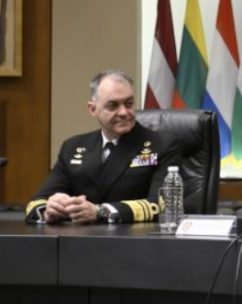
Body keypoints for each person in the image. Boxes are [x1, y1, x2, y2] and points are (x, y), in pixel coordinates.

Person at [25, 69, 178, 224]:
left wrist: (100, 212)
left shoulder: (162, 145)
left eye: (129, 104)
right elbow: (38, 201)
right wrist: (50, 210)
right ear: (93, 109)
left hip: (134, 235)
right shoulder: (73, 147)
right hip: (80, 237)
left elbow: (162, 205)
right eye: (113, 106)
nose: (124, 112)